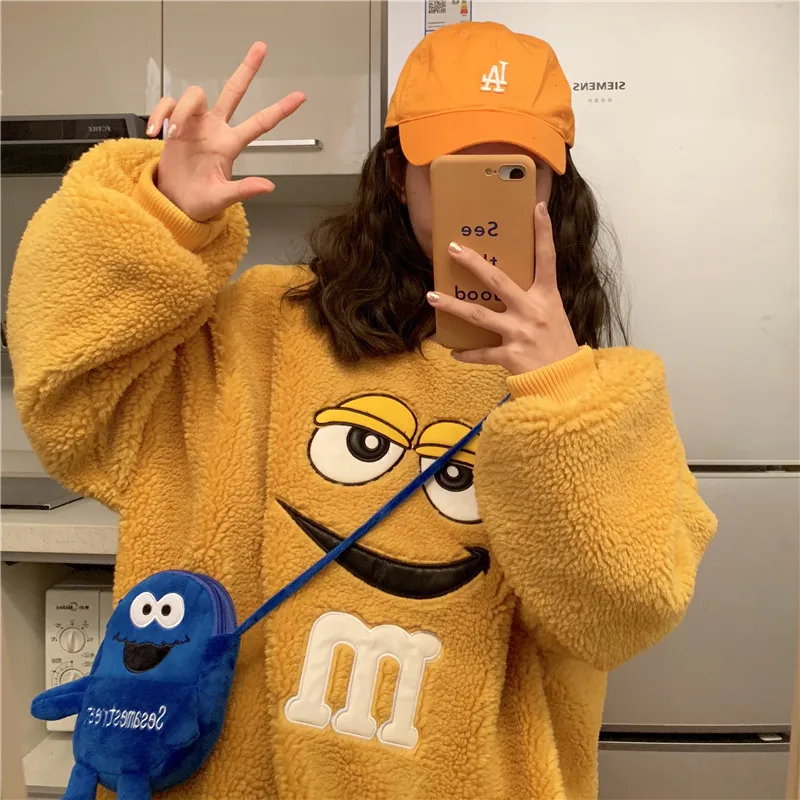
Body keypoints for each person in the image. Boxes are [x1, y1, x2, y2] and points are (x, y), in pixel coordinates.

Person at [8, 21, 716, 800]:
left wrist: (557, 390)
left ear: (554, 189)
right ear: (397, 173)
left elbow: (621, 614)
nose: (480, 200)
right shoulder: (262, 330)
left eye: (513, 172)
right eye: (452, 166)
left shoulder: (597, 398)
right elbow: (74, 406)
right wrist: (162, 216)